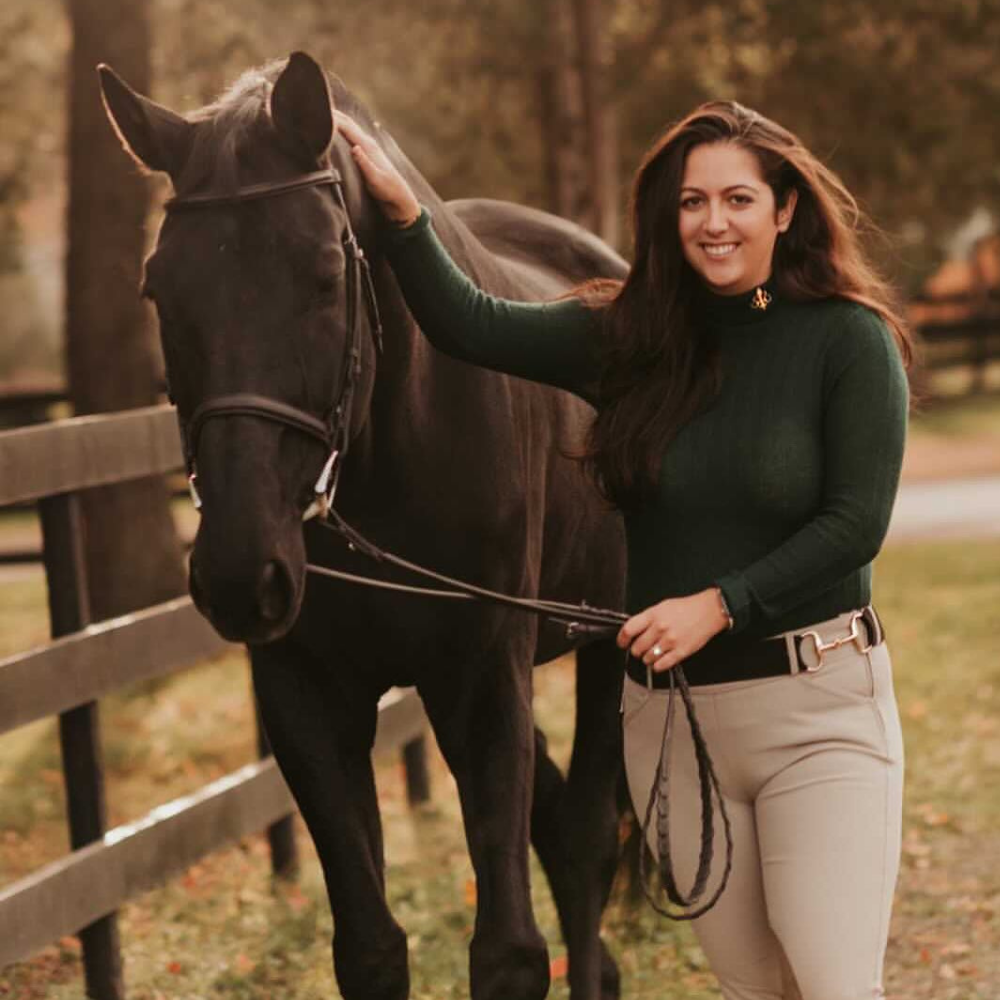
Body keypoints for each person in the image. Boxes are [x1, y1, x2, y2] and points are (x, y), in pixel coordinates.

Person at [336, 101, 910, 1000]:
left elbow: (855, 523)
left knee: (834, 986)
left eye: (738, 199)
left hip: (818, 714)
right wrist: (405, 215)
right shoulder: (628, 340)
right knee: (756, 990)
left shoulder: (848, 340)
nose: (713, 223)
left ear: (785, 208)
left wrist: (718, 604)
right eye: (691, 203)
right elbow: (470, 324)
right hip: (675, 729)